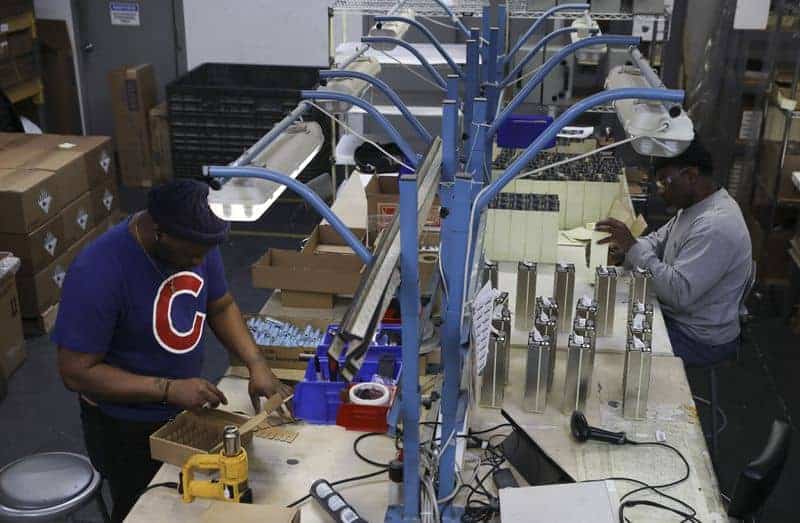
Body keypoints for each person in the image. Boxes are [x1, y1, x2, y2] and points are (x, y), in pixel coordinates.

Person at [53, 179, 291, 522]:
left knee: (188, 504)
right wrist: (167, 388)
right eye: (192, 255)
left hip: (183, 409)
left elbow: (221, 305)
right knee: (142, 509)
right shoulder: (98, 271)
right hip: (125, 427)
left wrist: (257, 363)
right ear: (159, 232)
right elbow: (75, 372)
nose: (200, 261)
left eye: (205, 253)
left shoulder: (196, 239)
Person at [596, 139, 752, 367]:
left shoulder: (716, 225)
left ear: (690, 176)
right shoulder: (693, 208)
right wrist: (627, 249)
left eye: (664, 182)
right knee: (606, 321)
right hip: (680, 316)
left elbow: (678, 293)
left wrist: (632, 248)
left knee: (611, 348)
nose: (660, 192)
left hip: (697, 337)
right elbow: (656, 241)